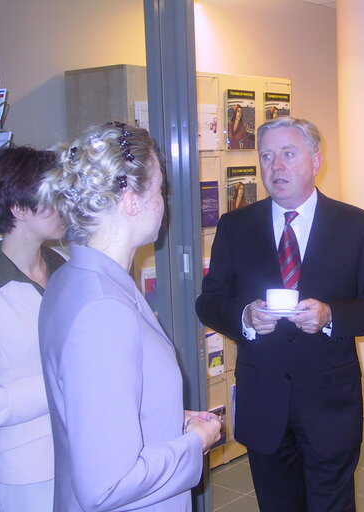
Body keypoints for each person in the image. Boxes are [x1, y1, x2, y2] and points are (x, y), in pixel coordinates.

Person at [196, 117, 364, 512]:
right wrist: (245, 318)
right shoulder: (237, 226)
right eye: (267, 156)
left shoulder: (356, 225)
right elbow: (210, 300)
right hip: (264, 402)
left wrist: (330, 317)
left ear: (315, 161)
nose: (276, 167)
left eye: (289, 154)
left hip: (330, 405)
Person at [37, 122, 221, 511]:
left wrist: (167, 415)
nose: (163, 202)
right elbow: (108, 485)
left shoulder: (76, 278)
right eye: (159, 189)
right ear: (132, 200)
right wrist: (196, 442)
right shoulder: (101, 309)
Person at [0, 146, 66, 511]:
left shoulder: (69, 268)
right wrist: (56, 384)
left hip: (88, 448)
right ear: (19, 209)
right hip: (28, 469)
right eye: (52, 195)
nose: (64, 203)